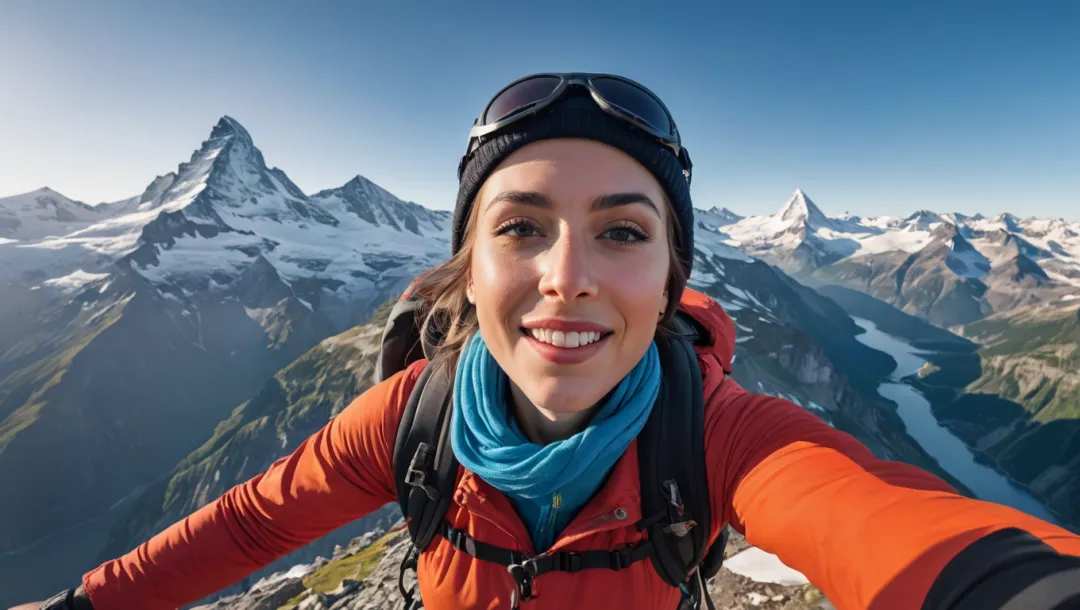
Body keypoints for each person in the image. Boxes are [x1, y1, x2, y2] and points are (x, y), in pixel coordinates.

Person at [13, 73, 1080, 610]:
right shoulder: (410, 419)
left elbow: (892, 526)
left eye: (622, 230)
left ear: (671, 278)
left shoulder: (720, 437)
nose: (567, 273)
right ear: (467, 267)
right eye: (520, 225)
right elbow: (248, 526)